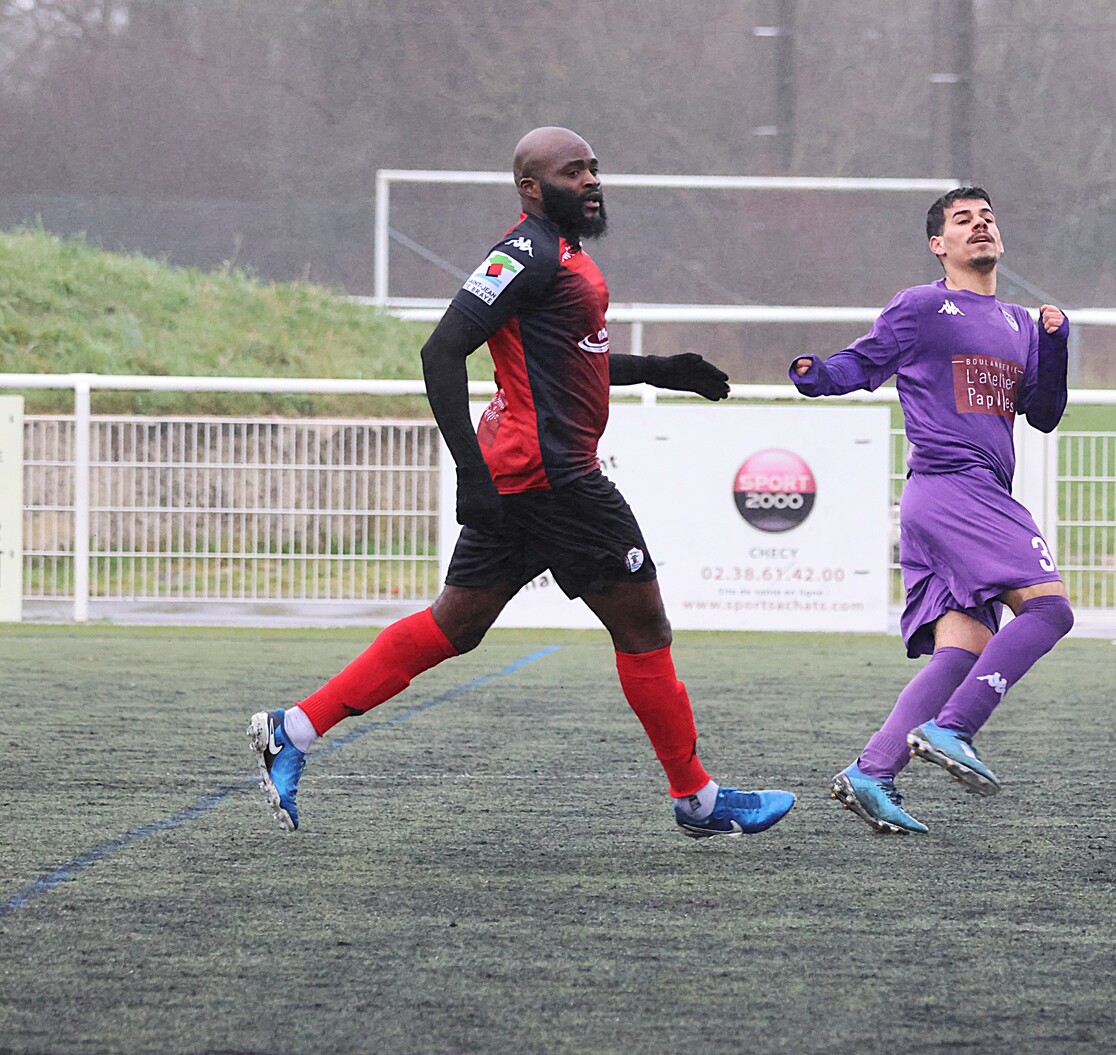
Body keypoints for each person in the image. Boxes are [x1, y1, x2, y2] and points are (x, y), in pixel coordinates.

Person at [248, 127, 795, 840]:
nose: (591, 180)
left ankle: (292, 729)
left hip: (526, 477)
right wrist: (468, 473)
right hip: (555, 481)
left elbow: (569, 364)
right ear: (531, 188)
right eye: (573, 172)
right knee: (643, 628)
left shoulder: (562, 256)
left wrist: (660, 370)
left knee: (454, 625)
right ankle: (697, 799)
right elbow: (441, 352)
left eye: (594, 168)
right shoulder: (525, 254)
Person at [790, 187, 1073, 834]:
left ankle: (872, 771)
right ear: (938, 245)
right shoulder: (923, 306)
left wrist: (1056, 344)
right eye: (962, 220)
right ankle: (955, 728)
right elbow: (865, 361)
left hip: (955, 496)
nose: (980, 226)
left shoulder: (1019, 323)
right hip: (953, 486)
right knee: (1049, 609)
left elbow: (1044, 413)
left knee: (963, 651)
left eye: (987, 218)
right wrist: (817, 375)